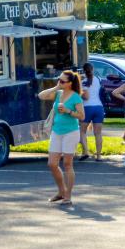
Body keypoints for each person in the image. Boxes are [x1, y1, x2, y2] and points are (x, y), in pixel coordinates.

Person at [37, 70, 84, 206]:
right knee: (52, 164)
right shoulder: (58, 93)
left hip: (70, 132)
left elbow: (82, 116)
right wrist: (57, 87)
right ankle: (61, 191)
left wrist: (69, 111)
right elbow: (41, 96)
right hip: (56, 131)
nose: (60, 82)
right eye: (59, 79)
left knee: (68, 164)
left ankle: (67, 196)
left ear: (70, 83)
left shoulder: (76, 97)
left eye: (63, 81)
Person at [78, 62, 104, 161]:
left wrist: (79, 93)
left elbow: (86, 96)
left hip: (87, 108)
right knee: (98, 133)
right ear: (92, 69)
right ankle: (98, 156)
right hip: (99, 107)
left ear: (84, 70)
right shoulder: (98, 79)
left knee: (82, 131)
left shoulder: (83, 81)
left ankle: (85, 152)